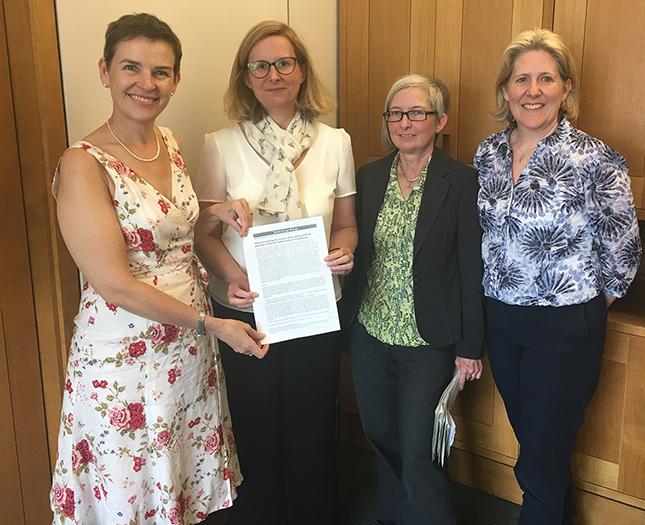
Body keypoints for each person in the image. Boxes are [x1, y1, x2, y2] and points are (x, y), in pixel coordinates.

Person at [49, 13, 268, 525]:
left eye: (161, 72)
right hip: (126, 358)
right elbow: (114, 284)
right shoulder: (82, 164)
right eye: (132, 68)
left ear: (176, 79)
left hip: (185, 347)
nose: (146, 84)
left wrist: (214, 211)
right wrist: (213, 323)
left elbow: (167, 226)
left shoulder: (167, 142)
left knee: (178, 480)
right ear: (105, 71)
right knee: (131, 488)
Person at [474, 29, 642, 525]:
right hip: (501, 318)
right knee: (536, 437)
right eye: (521, 79)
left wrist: (586, 308)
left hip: (566, 324)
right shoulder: (487, 154)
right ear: (505, 90)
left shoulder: (595, 158)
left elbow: (623, 248)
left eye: (546, 78)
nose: (532, 90)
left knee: (542, 450)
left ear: (565, 88)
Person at [192, 20, 357, 525]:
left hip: (313, 307)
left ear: (302, 71)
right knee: (257, 421)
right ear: (246, 77)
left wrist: (343, 252)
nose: (273, 74)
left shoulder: (336, 142)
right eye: (259, 65)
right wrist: (233, 278)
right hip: (247, 309)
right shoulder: (220, 144)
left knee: (311, 420)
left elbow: (346, 224)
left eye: (284, 62)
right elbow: (203, 232)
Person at [342, 74, 485, 525]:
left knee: (420, 446)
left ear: (439, 120)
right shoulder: (367, 177)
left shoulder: (462, 182)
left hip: (429, 342)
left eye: (417, 112)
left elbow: (471, 267)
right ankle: (393, 515)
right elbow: (353, 248)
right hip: (370, 334)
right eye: (396, 113)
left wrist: (469, 347)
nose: (405, 123)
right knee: (379, 433)